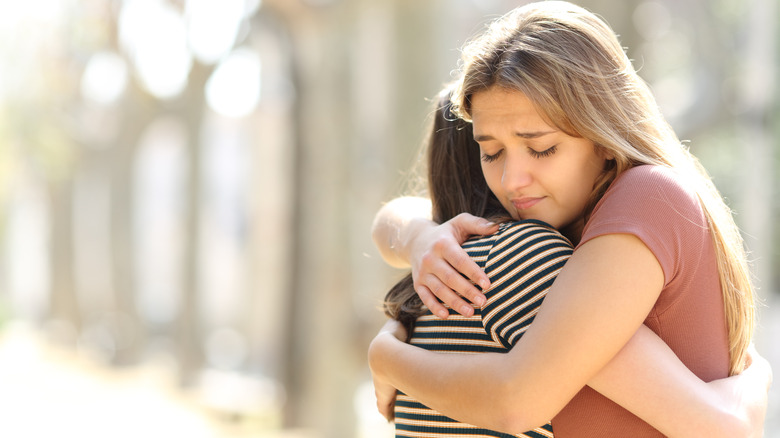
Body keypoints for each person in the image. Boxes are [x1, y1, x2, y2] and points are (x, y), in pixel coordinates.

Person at [369, 2, 772, 436]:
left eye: (541, 148)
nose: (511, 180)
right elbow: (397, 217)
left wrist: (386, 358)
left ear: (602, 135)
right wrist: (420, 236)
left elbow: (516, 400)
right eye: (491, 152)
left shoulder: (646, 196)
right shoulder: (563, 233)